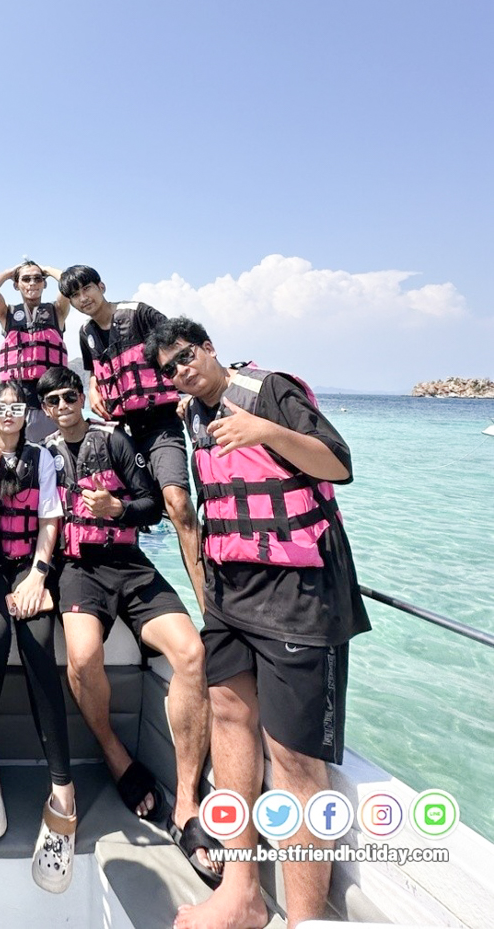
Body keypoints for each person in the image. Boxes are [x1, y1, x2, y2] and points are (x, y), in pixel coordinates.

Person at [151, 318, 371, 929]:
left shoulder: (270, 390)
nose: (181, 372)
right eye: (169, 369)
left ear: (209, 348)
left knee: (295, 760)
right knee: (227, 717)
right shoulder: (192, 414)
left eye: (186, 357)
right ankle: (242, 891)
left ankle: (304, 919)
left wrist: (266, 431)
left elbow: (338, 464)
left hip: (299, 595)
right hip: (230, 594)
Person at [36, 365, 220, 885]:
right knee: (82, 657)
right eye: (52, 400)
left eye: (70, 395)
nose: (63, 405)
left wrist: (117, 508)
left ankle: (187, 803)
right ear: (45, 409)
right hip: (77, 571)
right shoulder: (43, 454)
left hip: (130, 566)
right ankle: (115, 754)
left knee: (191, 654)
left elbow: (152, 508)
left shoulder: (114, 441)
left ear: (81, 397)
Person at [0, 380, 77, 894]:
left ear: (27, 413)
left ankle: (63, 791)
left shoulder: (42, 458)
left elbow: (49, 522)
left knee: (37, 646)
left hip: (28, 565)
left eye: (16, 407)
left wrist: (38, 575)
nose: (8, 414)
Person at [58, 265, 203, 610]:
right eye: (74, 295)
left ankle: (209, 609)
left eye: (87, 289)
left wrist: (191, 396)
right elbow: (96, 373)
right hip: (123, 431)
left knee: (178, 504)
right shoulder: (86, 333)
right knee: (133, 505)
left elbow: (186, 351)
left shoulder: (139, 314)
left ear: (101, 286)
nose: (83, 299)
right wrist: (95, 388)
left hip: (161, 423)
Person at [0, 259, 70, 440]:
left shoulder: (57, 312)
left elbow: (69, 281)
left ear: (44, 283)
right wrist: (12, 272)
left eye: (38, 278)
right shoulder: (6, 314)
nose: (32, 283)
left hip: (50, 394)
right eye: (26, 279)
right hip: (17, 396)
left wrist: (47, 269)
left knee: (52, 449)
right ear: (16, 285)